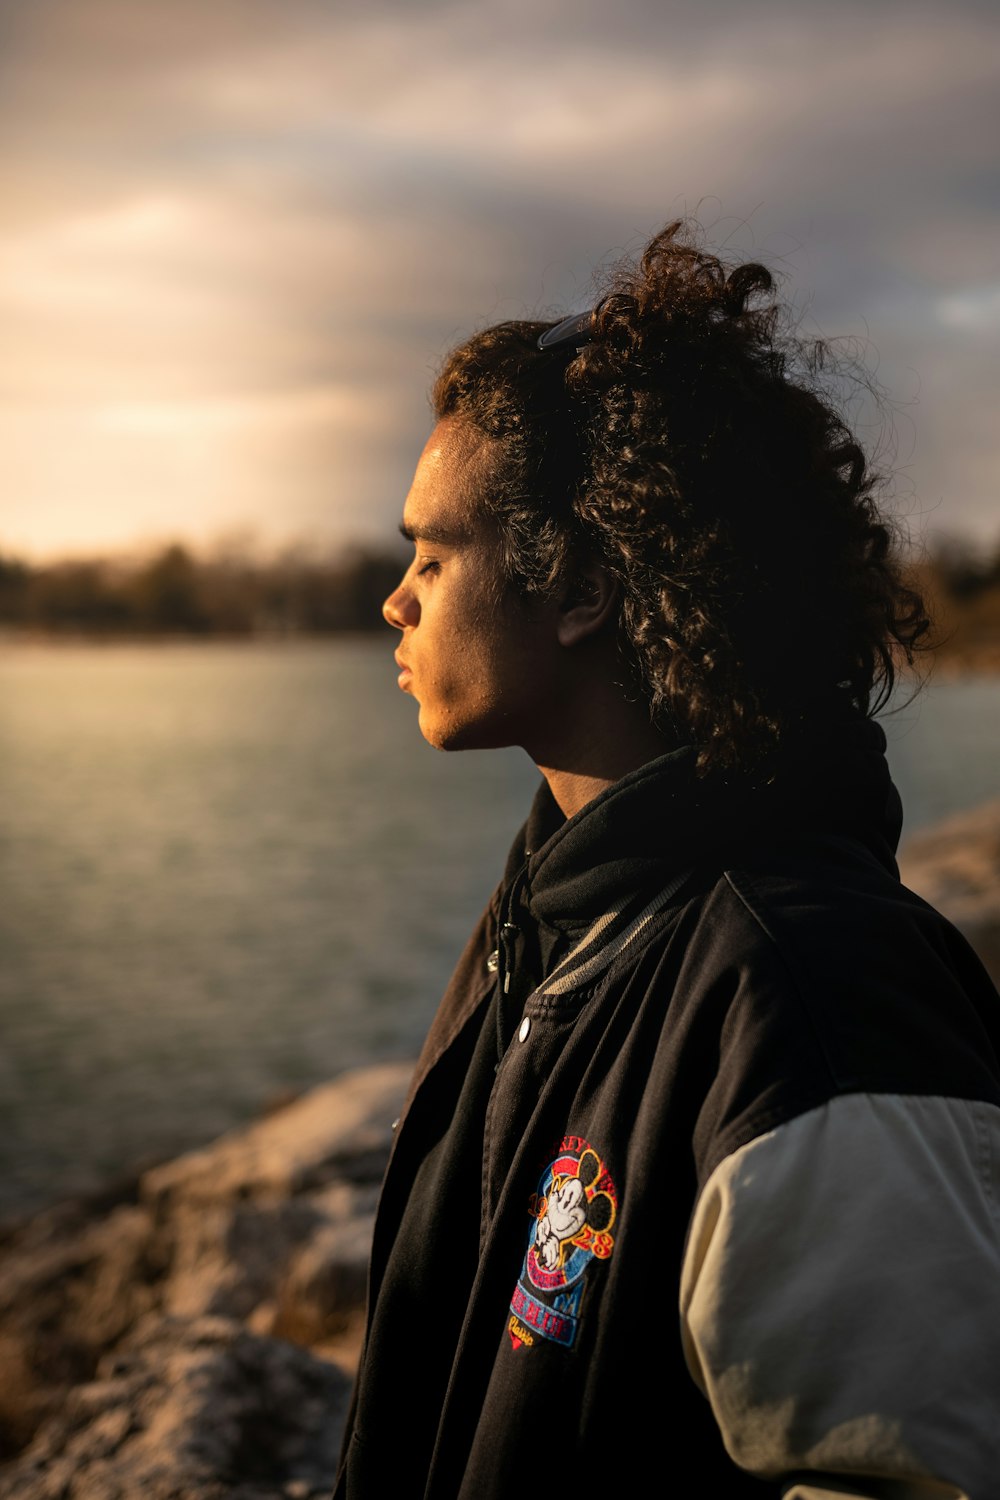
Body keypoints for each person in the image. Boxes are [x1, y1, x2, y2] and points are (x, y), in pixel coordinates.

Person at [333, 221, 1000, 1498]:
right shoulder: (548, 924)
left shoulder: (811, 989)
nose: (395, 602)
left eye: (430, 555)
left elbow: (916, 1472)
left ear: (578, 584)